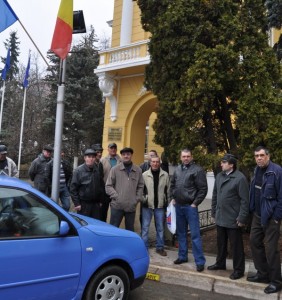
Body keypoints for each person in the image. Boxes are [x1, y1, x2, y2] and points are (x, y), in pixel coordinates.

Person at [208, 154, 249, 280]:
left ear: (231, 165)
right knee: (221, 243)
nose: (221, 164)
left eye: (224, 162)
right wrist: (214, 211)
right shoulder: (220, 176)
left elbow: (244, 200)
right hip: (220, 216)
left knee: (236, 246)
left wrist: (242, 218)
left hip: (233, 218)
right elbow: (215, 194)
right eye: (222, 162)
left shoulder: (240, 178)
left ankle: (239, 270)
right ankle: (220, 263)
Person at [247, 146, 282, 294]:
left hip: (270, 216)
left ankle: (276, 282)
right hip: (257, 215)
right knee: (254, 242)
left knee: (271, 249)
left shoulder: (277, 171)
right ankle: (263, 274)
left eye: (262, 155)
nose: (259, 158)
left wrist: (276, 217)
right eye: (256, 156)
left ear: (268, 156)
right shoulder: (256, 170)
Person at [170, 148, 207, 272]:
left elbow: (203, 189)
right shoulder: (177, 170)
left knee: (195, 235)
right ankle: (182, 256)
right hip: (178, 206)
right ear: (181, 157)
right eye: (184, 156)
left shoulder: (197, 170)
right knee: (181, 233)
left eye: (188, 156)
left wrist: (195, 203)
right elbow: (172, 185)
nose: (186, 158)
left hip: (190, 207)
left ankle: (200, 261)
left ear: (191, 157)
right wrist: (173, 197)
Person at [105, 147, 144, 232]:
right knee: (113, 229)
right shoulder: (115, 169)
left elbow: (141, 186)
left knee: (130, 230)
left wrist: (136, 199)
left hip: (131, 206)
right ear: (121, 156)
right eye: (124, 154)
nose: (126, 156)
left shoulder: (138, 170)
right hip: (117, 206)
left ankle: (129, 245)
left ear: (131, 155)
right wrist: (116, 197)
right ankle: (112, 245)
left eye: (128, 154)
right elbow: (108, 186)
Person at [141, 156, 170, 256]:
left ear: (160, 163)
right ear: (150, 163)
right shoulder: (144, 175)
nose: (155, 164)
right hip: (147, 206)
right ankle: (144, 248)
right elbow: (140, 189)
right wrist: (143, 199)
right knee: (145, 228)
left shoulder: (165, 175)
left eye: (157, 162)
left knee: (160, 228)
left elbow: (168, 190)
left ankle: (160, 247)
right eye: (153, 162)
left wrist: (167, 201)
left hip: (160, 206)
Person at [70, 149, 104, 220]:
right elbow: (73, 188)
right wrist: (77, 203)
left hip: (96, 204)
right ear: (85, 158)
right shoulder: (78, 171)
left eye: (93, 157)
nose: (91, 159)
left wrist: (101, 200)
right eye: (89, 157)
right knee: (84, 224)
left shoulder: (97, 170)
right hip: (83, 205)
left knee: (95, 224)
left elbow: (101, 186)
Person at [100, 143, 122, 222]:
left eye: (114, 148)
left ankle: (113, 229)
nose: (113, 149)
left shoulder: (121, 160)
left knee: (115, 213)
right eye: (111, 148)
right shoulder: (102, 160)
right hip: (105, 190)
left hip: (117, 190)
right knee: (103, 212)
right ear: (108, 149)